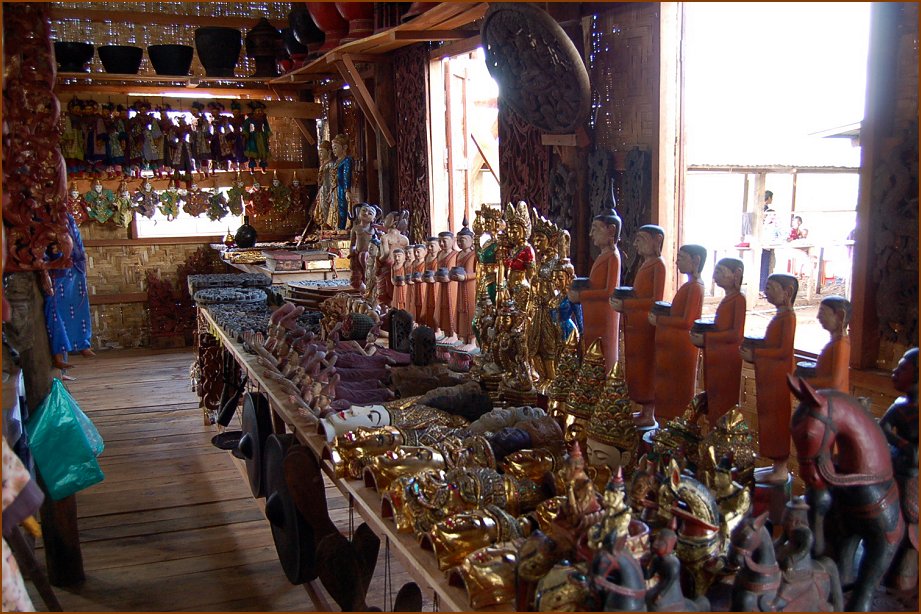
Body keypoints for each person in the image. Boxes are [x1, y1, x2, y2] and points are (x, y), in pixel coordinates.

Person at [743, 273, 797, 484]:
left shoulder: (789, 319)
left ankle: (781, 468)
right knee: (768, 418)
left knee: (777, 420)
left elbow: (783, 352)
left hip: (779, 379)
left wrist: (757, 354)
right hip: (770, 377)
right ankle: (775, 464)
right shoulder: (780, 317)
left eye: (772, 287)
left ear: (788, 292)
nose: (767, 292)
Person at [650, 244, 706, 422]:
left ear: (695, 261)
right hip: (673, 349)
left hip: (681, 349)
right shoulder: (689, 286)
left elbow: (687, 322)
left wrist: (660, 320)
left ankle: (674, 425)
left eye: (681, 258)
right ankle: (665, 423)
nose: (676, 262)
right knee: (667, 390)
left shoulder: (695, 287)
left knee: (677, 391)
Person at [43, 213, 94, 371]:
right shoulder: (42, 217)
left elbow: (77, 241)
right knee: (54, 309)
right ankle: (58, 356)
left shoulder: (67, 217)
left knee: (79, 306)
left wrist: (81, 263)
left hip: (75, 265)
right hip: (55, 267)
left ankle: (82, 344)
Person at [805, 296, 851, 392]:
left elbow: (835, 382)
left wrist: (804, 382)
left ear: (840, 316)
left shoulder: (840, 345)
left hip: (834, 401)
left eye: (822, 312)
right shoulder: (836, 343)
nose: (818, 317)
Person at [759, 191, 784, 295]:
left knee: (765, 266)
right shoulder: (765, 211)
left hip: (766, 243)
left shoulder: (763, 210)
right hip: (765, 244)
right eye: (771, 198)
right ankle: (762, 288)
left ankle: (762, 287)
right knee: (765, 266)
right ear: (768, 198)